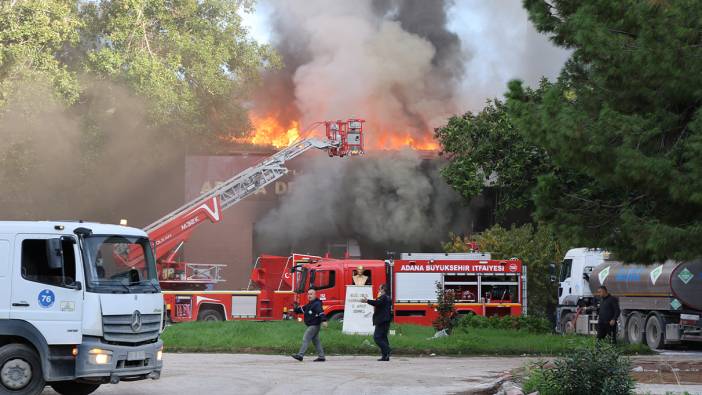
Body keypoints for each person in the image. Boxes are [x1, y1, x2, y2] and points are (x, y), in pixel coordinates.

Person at [291, 289, 327, 362]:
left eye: (311, 294)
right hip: (313, 325)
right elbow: (302, 309)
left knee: (306, 338)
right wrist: (295, 309)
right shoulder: (310, 304)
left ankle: (300, 355)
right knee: (316, 341)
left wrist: (324, 320)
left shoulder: (317, 304)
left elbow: (321, 312)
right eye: (308, 294)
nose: (309, 296)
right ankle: (321, 356)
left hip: (314, 325)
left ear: (315, 295)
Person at [362, 284, 392, 361]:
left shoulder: (383, 297)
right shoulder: (387, 298)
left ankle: (387, 349)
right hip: (386, 320)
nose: (378, 290)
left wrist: (367, 301)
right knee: (384, 338)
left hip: (381, 320)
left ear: (383, 289)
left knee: (377, 337)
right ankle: (385, 356)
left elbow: (377, 303)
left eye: (379, 289)